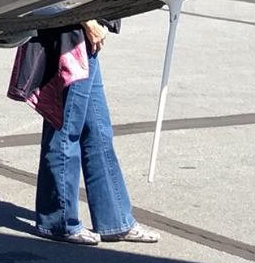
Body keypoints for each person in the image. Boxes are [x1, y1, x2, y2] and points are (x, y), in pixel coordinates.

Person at [11, 19, 160, 245]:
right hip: (69, 40)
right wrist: (88, 22)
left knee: (98, 132)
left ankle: (115, 220)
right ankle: (58, 221)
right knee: (65, 130)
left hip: (83, 39)